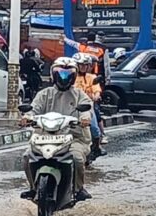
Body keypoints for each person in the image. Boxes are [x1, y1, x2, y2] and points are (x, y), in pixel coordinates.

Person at [20, 57, 93, 201]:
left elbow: (87, 109)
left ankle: (79, 189)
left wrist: (85, 118)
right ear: (54, 74)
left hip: (74, 137)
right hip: (45, 136)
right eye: (60, 73)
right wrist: (27, 117)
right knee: (27, 157)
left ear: (73, 75)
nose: (63, 77)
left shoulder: (79, 95)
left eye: (68, 73)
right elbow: (34, 109)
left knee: (77, 159)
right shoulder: (44, 94)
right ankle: (33, 188)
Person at [73, 53, 106, 159]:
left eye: (85, 65)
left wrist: (96, 96)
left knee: (94, 128)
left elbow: (96, 90)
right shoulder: (71, 76)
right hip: (71, 106)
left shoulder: (92, 77)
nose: (83, 67)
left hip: (87, 107)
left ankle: (97, 147)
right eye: (81, 65)